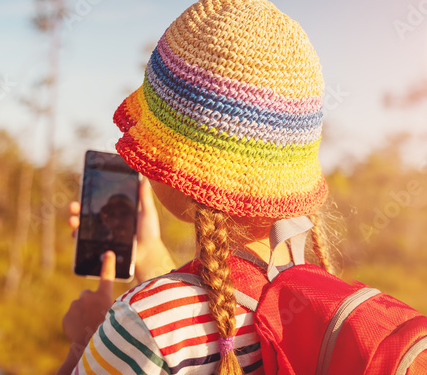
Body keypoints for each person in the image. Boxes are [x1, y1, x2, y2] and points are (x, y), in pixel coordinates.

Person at [58, 0, 334, 374]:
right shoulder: (315, 300)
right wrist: (149, 250)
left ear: (176, 169)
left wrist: (86, 340)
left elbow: (171, 324)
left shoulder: (142, 326)